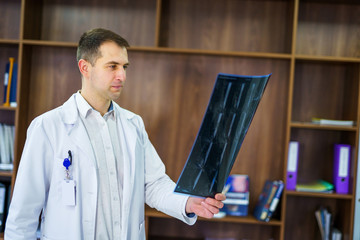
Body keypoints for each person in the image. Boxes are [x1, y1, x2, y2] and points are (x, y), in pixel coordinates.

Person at [5, 28, 225, 240]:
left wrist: (188, 203)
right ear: (85, 67)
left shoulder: (133, 125)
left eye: (125, 67)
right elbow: (23, 214)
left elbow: (154, 184)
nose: (122, 75)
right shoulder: (47, 127)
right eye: (112, 66)